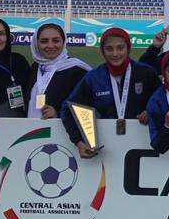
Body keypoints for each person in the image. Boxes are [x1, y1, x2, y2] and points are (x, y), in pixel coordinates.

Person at [61, 28, 159, 158]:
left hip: (143, 145)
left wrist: (151, 110)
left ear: (128, 48)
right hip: (108, 150)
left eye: (120, 48)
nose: (115, 53)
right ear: (102, 51)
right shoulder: (94, 77)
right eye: (109, 49)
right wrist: (78, 141)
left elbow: (164, 100)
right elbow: (68, 109)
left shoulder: (146, 73)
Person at [27, 23, 89, 120]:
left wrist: (59, 113)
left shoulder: (77, 70)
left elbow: (86, 106)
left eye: (56, 41)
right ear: (36, 44)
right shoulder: (35, 67)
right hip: (30, 127)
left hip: (62, 128)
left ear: (63, 42)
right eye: (44, 41)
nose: (50, 45)